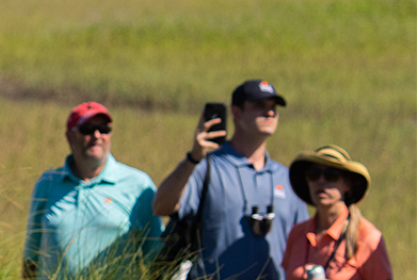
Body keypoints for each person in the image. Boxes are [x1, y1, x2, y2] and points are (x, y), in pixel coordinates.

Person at [153, 80, 310, 280]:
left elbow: (305, 242)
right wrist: (193, 158)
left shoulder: (287, 178)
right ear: (236, 112)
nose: (270, 113)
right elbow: (161, 207)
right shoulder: (207, 167)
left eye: (273, 108)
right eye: (260, 106)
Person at [23, 102, 163, 279]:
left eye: (103, 129)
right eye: (87, 129)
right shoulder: (47, 184)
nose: (96, 136)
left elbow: (159, 261)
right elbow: (31, 260)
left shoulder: (138, 186)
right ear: (70, 136)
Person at [283, 146, 391, 280]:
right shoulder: (297, 233)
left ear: (347, 184)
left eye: (331, 175)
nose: (321, 181)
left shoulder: (367, 238)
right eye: (313, 174)